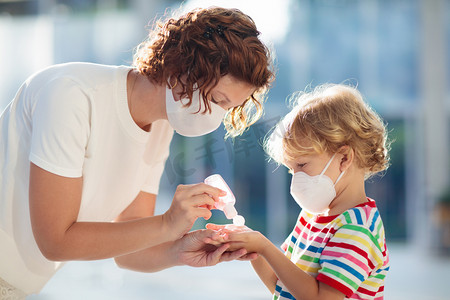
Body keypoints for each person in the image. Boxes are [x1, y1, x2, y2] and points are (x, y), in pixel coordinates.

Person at [0, 6, 274, 298]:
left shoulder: (159, 127)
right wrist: (167, 223)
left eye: (228, 109)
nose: (217, 118)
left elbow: (129, 253)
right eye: (218, 100)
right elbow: (55, 241)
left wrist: (182, 249)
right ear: (183, 67)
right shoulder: (72, 96)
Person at [207, 84, 391, 300]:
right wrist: (252, 250)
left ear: (344, 158)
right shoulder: (311, 216)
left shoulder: (357, 230)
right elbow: (280, 284)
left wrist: (264, 246)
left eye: (302, 165)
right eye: (291, 169)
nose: (296, 178)